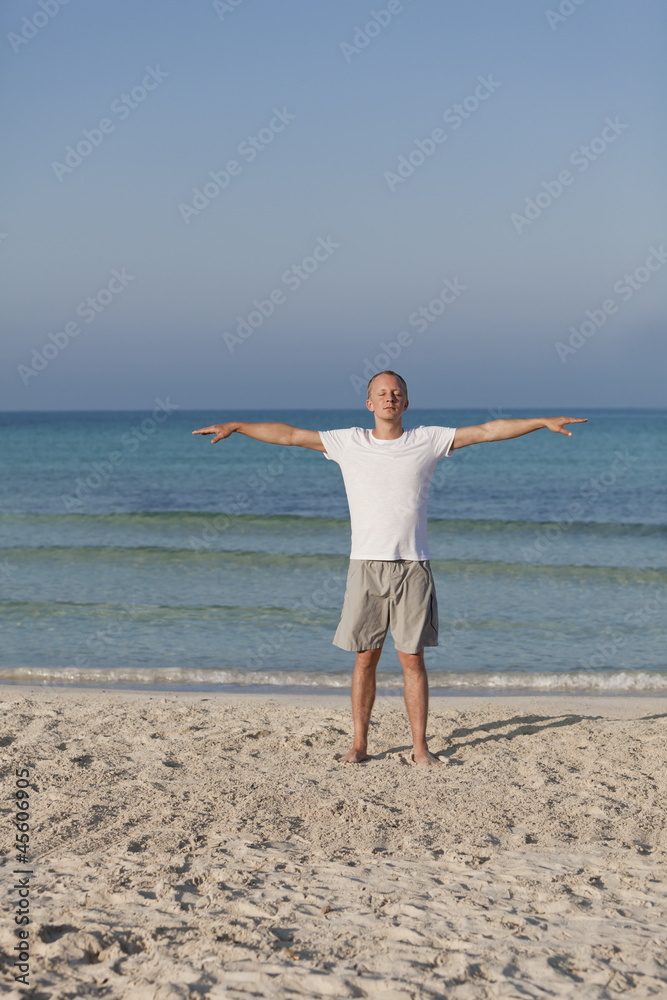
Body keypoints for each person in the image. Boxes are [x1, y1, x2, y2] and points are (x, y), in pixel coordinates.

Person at [193, 371, 586, 766]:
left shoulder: (427, 440)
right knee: (365, 657)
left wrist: (540, 422)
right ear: (369, 404)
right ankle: (360, 745)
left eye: (396, 393)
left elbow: (485, 430)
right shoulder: (348, 442)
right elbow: (291, 435)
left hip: (413, 565)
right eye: (381, 393)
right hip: (365, 565)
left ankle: (419, 748)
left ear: (406, 402)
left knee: (412, 659)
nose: (389, 398)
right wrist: (238, 427)